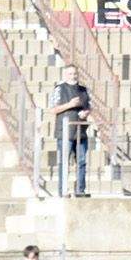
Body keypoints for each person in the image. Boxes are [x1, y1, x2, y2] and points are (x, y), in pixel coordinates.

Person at [48, 64, 92, 198]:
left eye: (74, 74)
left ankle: (80, 190)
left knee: (82, 161)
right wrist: (70, 105)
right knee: (64, 161)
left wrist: (86, 112)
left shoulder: (84, 90)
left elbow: (90, 106)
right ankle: (63, 190)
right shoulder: (59, 89)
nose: (73, 76)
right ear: (65, 75)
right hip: (65, 131)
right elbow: (53, 109)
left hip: (81, 131)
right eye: (70, 74)